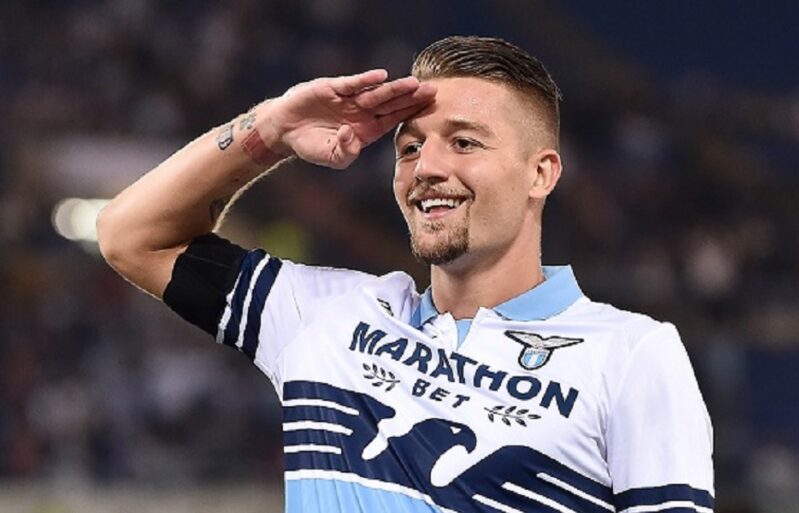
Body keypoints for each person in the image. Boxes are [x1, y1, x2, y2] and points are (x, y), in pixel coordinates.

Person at [98, 36, 714, 513]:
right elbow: (131, 236)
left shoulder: (630, 354)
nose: (427, 168)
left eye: (464, 143)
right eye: (410, 147)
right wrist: (272, 130)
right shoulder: (325, 317)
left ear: (541, 173)